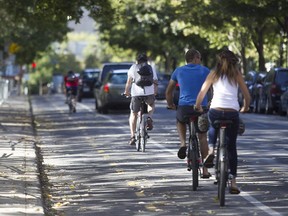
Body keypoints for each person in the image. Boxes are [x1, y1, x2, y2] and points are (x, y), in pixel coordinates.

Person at [195, 49, 250, 194]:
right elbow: (246, 95)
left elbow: (202, 92)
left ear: (219, 60)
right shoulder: (236, 74)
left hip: (216, 110)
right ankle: (233, 182)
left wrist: (198, 105)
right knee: (231, 147)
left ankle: (212, 149)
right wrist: (245, 106)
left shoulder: (214, 73)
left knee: (213, 123)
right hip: (232, 112)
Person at [166, 48, 211, 178]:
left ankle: (183, 143)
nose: (200, 61)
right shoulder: (205, 70)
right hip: (201, 107)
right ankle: (205, 170)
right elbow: (212, 88)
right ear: (196, 58)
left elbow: (169, 91)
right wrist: (211, 101)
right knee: (202, 137)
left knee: (180, 121)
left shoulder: (178, 71)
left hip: (184, 107)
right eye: (200, 58)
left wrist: (170, 104)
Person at [124, 53, 158, 146]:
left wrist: (126, 92)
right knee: (151, 104)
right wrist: (155, 91)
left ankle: (132, 136)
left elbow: (129, 82)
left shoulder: (133, 67)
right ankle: (149, 117)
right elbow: (155, 81)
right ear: (146, 60)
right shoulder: (151, 68)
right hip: (149, 93)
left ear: (137, 60)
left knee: (133, 114)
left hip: (136, 94)